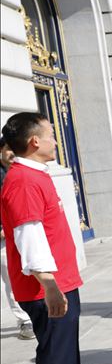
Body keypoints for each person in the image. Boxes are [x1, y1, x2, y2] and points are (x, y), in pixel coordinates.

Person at [0, 112, 84, 364]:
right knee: (56, 362)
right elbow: (29, 238)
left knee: (63, 358)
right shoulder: (24, 181)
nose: (56, 142)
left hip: (57, 283)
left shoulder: (33, 175)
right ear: (35, 141)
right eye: (51, 135)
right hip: (45, 288)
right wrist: (49, 286)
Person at [0, 136, 35, 340]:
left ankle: (29, 316)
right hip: (4, 238)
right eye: (7, 149)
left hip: (20, 232)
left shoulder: (21, 172)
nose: (12, 153)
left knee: (21, 276)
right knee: (11, 278)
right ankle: (24, 320)